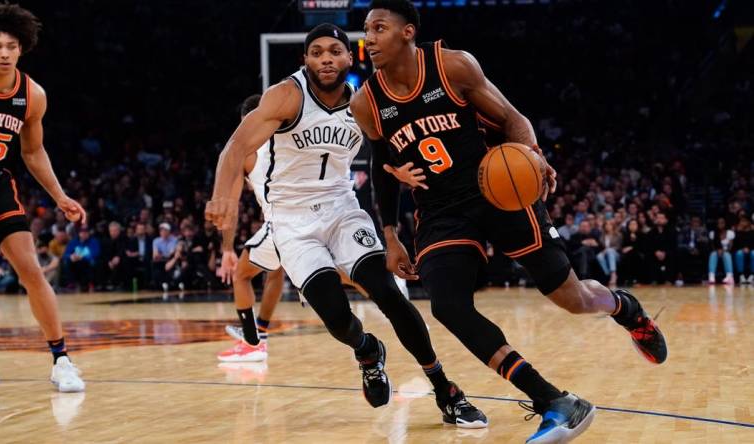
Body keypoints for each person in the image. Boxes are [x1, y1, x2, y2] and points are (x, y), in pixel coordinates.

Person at [351, 1, 667, 441]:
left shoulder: (453, 66)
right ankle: (554, 401)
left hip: (498, 191)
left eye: (379, 28)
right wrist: (390, 235)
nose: (369, 38)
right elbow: (381, 164)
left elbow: (513, 119)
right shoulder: (366, 101)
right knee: (447, 305)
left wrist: (532, 158)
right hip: (442, 212)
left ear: (407, 33)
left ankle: (624, 308)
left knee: (573, 298)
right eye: (366, 30)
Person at [206, 24, 487, 427]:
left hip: (342, 209)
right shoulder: (286, 95)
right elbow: (236, 145)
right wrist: (222, 195)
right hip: (292, 221)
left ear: (348, 58)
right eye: (317, 52)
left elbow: (385, 156)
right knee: (337, 317)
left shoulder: (364, 103)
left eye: (334, 51)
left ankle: (446, 389)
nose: (325, 59)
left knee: (389, 295)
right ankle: (367, 350)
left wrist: (398, 177)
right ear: (305, 59)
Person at [0, 0, 84, 393]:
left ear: (22, 48)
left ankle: (61, 359)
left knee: (32, 270)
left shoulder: (33, 95)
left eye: (11, 46)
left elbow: (32, 152)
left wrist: (59, 196)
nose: (4, 52)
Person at [214, 94, 286, 363]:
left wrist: (226, 248)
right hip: (314, 214)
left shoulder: (246, 151)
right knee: (278, 270)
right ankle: (261, 333)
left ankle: (252, 343)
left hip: (283, 219)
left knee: (241, 275)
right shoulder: (288, 136)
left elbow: (229, 206)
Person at [708, 217, 734, 285]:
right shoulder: (713, 233)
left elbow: (730, 247)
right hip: (716, 251)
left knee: (726, 254)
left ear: (725, 223)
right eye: (718, 223)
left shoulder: (730, 233)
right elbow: (712, 246)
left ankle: (729, 276)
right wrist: (718, 250)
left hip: (726, 252)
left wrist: (723, 250)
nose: (720, 224)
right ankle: (711, 276)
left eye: (722, 222)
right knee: (713, 254)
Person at [596, 220, 622, 286]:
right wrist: (605, 251)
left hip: (616, 255)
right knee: (599, 256)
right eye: (606, 225)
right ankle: (608, 274)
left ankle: (613, 274)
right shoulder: (602, 236)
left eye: (610, 225)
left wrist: (607, 250)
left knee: (610, 251)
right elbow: (601, 248)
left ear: (613, 226)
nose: (608, 226)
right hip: (606, 255)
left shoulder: (618, 235)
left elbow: (618, 247)